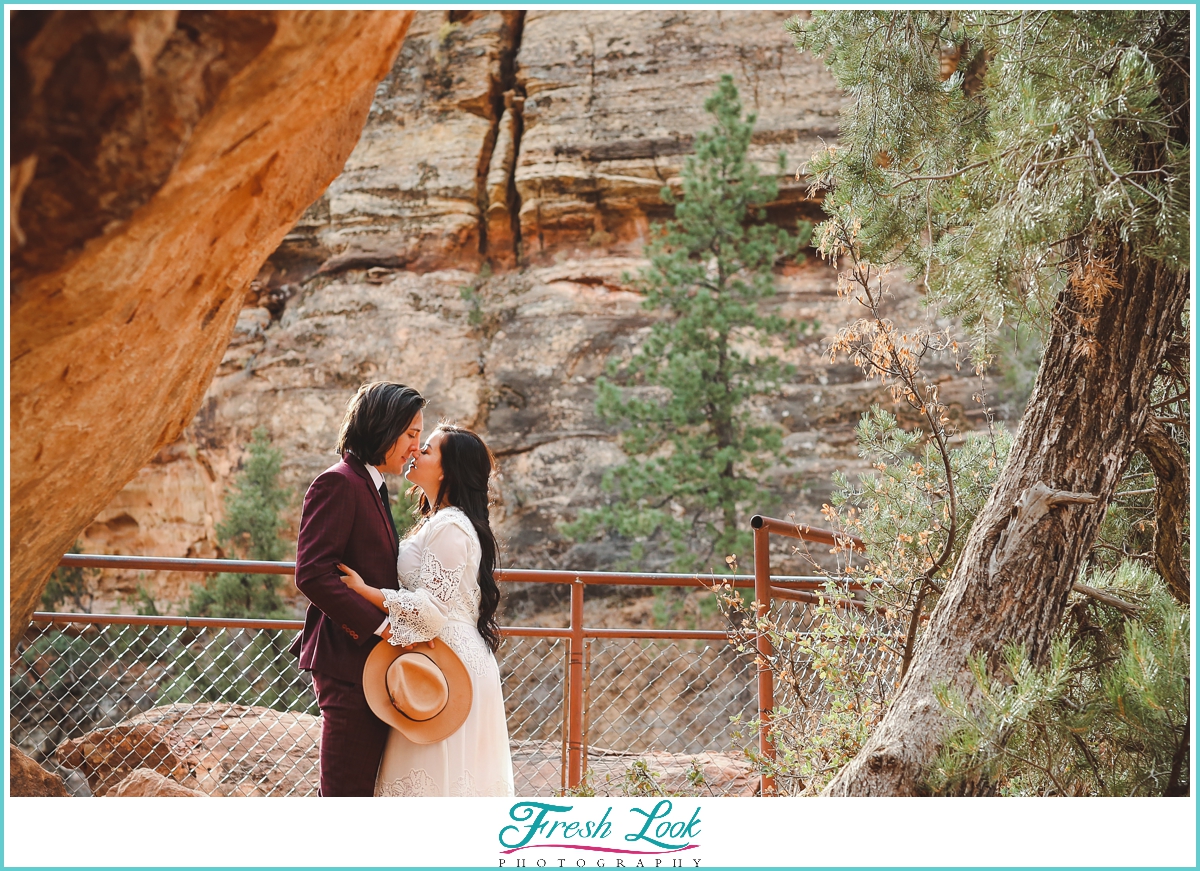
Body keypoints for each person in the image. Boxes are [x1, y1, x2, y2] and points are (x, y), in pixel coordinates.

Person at [337, 424, 515, 796]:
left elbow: (433, 611)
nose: (415, 451)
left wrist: (366, 591)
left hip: (448, 668)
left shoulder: (452, 526)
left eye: (428, 449)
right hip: (435, 659)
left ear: (448, 469)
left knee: (436, 776)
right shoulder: (439, 521)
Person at [290, 380, 426, 797]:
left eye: (419, 437)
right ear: (383, 427)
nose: (415, 448)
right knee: (345, 795)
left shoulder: (371, 484)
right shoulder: (339, 483)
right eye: (410, 435)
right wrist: (381, 627)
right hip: (348, 663)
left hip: (368, 664)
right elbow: (311, 574)